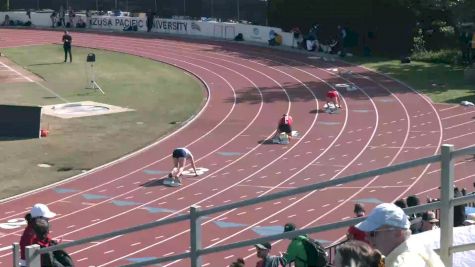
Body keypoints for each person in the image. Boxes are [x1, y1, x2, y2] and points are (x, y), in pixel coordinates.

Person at [355, 203, 445, 267]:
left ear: (397, 232)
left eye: (372, 233)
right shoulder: (414, 245)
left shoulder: (404, 262)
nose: (367, 238)